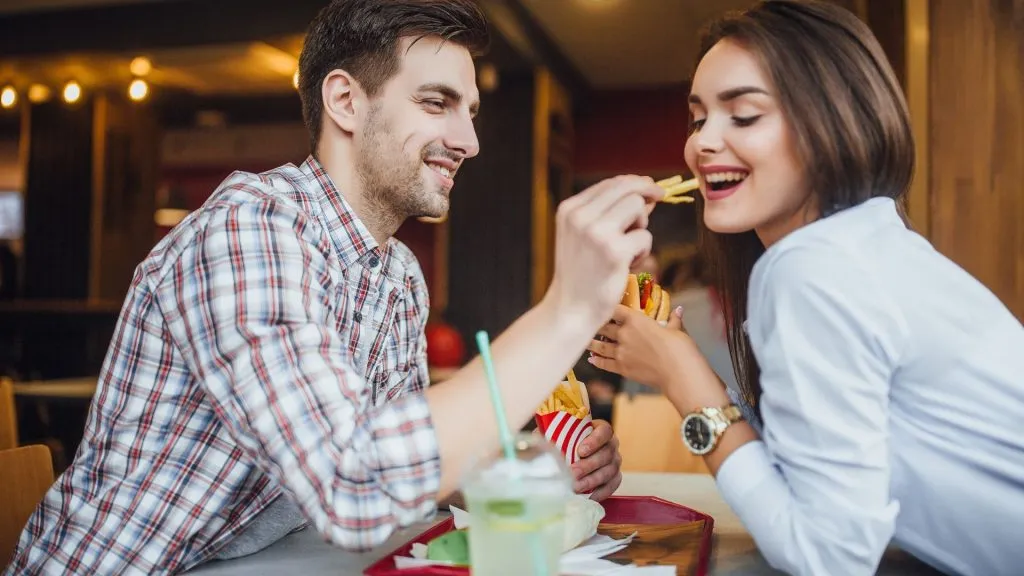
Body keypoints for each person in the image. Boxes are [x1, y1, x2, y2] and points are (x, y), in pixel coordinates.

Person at [6, 1, 659, 573]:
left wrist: (531, 468)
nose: (470, 140)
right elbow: (356, 486)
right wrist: (567, 311)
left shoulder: (397, 274)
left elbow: (399, 466)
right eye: (438, 103)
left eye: (472, 111)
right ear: (345, 101)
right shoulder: (245, 233)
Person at [587, 1, 1024, 575]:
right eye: (698, 120)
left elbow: (827, 558)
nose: (702, 144)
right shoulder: (861, 245)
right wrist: (680, 358)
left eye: (743, 116)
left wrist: (684, 381)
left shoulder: (813, 268)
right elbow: (815, 479)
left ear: (830, 122)